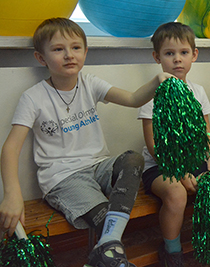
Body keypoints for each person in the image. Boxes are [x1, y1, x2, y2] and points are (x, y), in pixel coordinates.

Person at [0, 18, 172, 267]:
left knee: (133, 158)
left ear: (85, 51)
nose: (69, 55)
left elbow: (134, 99)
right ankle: (111, 254)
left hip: (99, 167)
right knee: (105, 216)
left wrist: (157, 82)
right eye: (59, 49)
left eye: (76, 47)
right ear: (41, 58)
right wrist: (12, 194)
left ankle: (106, 248)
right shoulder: (33, 97)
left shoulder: (90, 83)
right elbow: (11, 148)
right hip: (63, 178)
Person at [137, 22, 210, 267]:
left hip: (195, 160)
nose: (177, 60)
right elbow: (152, 145)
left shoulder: (198, 91)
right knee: (176, 193)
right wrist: (180, 173)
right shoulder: (153, 93)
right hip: (160, 166)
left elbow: (207, 133)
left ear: (194, 55)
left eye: (183, 53)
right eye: (169, 54)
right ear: (157, 57)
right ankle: (172, 251)